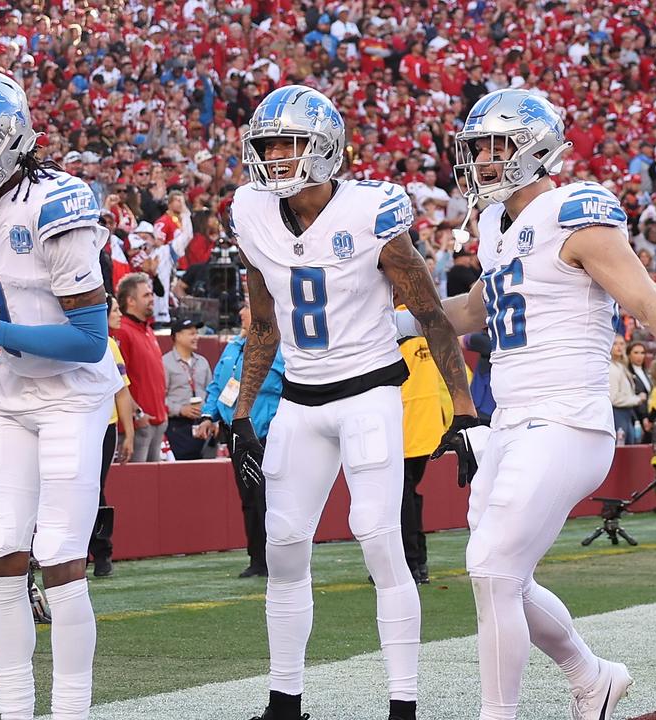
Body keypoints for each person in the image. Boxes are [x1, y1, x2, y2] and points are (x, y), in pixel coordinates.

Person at [408, 88, 656, 720]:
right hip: (513, 421)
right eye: (479, 150)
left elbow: (646, 302)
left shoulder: (576, 210)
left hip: (569, 419)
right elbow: (476, 309)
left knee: (494, 568)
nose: (483, 162)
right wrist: (389, 322)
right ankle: (591, 675)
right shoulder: (497, 226)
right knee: (500, 574)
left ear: (537, 148)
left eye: (498, 148)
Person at [228, 85, 478, 720]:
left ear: (326, 149)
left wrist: (463, 405)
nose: (276, 156)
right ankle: (284, 701)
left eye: (288, 142)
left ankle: (403, 702)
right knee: (283, 545)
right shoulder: (252, 212)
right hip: (300, 400)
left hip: (369, 390)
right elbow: (263, 323)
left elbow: (428, 312)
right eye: (267, 144)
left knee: (376, 536)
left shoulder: (372, 212)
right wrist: (240, 410)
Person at [0, 71, 123, 720]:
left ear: (9, 144)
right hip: (10, 389)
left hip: (72, 392)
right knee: (2, 551)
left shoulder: (57, 204)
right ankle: (15, 712)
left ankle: (71, 713)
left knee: (61, 556)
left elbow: (90, 340)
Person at [195, 302, 286, 578]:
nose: (241, 313)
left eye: (246, 307)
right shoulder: (233, 346)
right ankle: (257, 558)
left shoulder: (279, 348)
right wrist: (208, 415)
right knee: (248, 496)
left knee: (266, 497)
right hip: (236, 432)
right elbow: (217, 386)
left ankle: (277, 557)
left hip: (265, 432)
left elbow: (288, 385)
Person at [396, 309, 452, 584]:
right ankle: (418, 562)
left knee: (400, 499)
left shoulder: (393, 325)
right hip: (427, 427)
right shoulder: (428, 323)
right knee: (410, 496)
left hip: (401, 426)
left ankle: (410, 563)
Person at [90, 296, 136, 578]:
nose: (119, 314)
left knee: (96, 487)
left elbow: (122, 391)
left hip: (105, 425)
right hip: (81, 423)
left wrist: (128, 433)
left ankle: (102, 550)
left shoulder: (109, 345)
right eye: (115, 310)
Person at [115, 272, 168, 462]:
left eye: (151, 294)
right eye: (146, 295)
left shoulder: (146, 329)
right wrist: (137, 414)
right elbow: (119, 381)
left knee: (153, 486)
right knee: (137, 486)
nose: (152, 299)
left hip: (157, 422)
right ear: (130, 301)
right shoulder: (122, 331)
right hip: (138, 426)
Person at [162, 317, 213, 460]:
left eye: (196, 333)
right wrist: (180, 409)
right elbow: (159, 399)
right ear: (177, 336)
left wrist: (212, 419)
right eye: (191, 333)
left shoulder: (202, 362)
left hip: (203, 424)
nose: (196, 337)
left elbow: (211, 394)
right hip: (177, 427)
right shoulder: (165, 363)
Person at [609, 335, 647, 443]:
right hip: (617, 414)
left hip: (627, 414)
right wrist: (637, 399)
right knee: (621, 449)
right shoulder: (611, 368)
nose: (619, 347)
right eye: (615, 343)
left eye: (621, 344)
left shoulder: (621, 366)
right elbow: (613, 398)